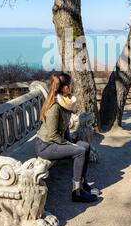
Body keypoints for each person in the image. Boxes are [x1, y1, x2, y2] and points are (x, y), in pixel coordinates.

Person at [35, 72, 99, 203]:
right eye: (70, 85)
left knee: (85, 146)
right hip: (46, 145)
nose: (72, 87)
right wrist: (70, 145)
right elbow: (53, 135)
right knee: (79, 151)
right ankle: (77, 192)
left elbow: (64, 128)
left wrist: (70, 141)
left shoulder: (64, 101)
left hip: (55, 142)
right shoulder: (54, 107)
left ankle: (83, 183)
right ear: (64, 87)